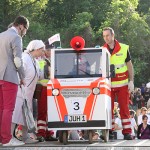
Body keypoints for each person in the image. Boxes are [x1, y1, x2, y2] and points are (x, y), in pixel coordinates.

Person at [0, 15, 29, 146]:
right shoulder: (16, 37)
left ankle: (2, 138)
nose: (25, 32)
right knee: (8, 109)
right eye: (26, 29)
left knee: (1, 108)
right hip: (9, 77)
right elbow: (18, 60)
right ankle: (6, 139)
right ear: (21, 26)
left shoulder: (1, 35)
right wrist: (22, 77)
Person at [102, 27, 134, 140]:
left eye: (108, 35)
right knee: (107, 109)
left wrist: (131, 81)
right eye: (104, 36)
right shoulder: (102, 49)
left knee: (125, 108)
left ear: (113, 35)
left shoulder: (124, 48)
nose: (106, 38)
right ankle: (109, 131)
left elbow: (130, 66)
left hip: (122, 84)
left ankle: (127, 132)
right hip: (108, 85)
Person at [11, 40, 45, 144]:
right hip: (20, 92)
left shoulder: (34, 60)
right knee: (15, 115)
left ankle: (25, 137)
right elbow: (18, 72)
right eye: (42, 50)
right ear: (37, 49)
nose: (43, 52)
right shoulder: (25, 57)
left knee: (27, 116)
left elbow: (39, 76)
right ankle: (8, 137)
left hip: (29, 94)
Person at [35, 41, 58, 142]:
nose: (49, 52)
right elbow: (40, 75)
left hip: (53, 89)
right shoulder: (41, 60)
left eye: (51, 50)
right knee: (42, 111)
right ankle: (41, 133)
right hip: (43, 88)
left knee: (52, 111)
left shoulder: (55, 60)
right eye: (48, 50)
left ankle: (50, 133)